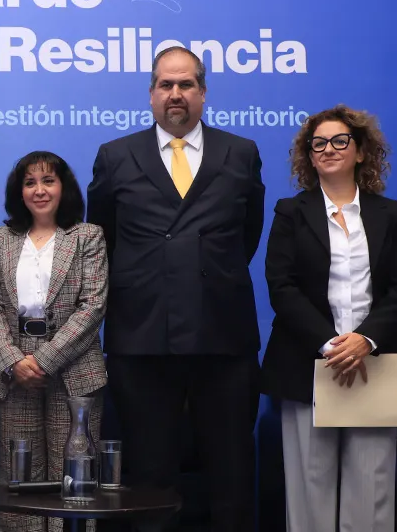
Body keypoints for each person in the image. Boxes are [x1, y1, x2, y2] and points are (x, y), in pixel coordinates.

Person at [86, 46, 265, 532]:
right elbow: (102, 239)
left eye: (186, 84)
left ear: (203, 93)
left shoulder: (241, 152)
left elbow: (246, 235)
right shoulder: (115, 156)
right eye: (166, 84)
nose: (176, 94)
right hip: (143, 339)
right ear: (151, 95)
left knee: (231, 472)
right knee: (150, 478)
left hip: (223, 337)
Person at [261, 105, 397, 532]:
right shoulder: (290, 212)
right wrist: (331, 344)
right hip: (307, 364)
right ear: (309, 157)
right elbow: (281, 287)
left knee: (372, 486)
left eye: (340, 141)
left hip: (375, 363)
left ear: (360, 151)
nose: (329, 149)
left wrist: (365, 340)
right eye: (319, 143)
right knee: (310, 487)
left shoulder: (390, 213)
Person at [0, 151, 108, 532]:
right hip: (15, 374)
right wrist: (13, 361)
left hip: (74, 373)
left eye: (48, 181)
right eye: (30, 183)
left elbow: (93, 306)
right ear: (19, 192)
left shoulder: (88, 236)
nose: (39, 190)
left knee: (72, 482)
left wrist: (42, 362)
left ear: (63, 187)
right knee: (19, 482)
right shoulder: (2, 239)